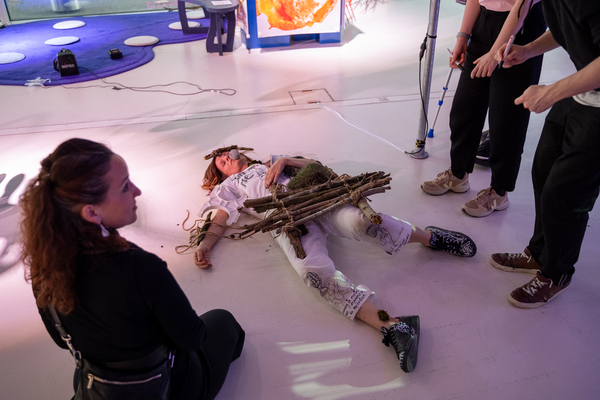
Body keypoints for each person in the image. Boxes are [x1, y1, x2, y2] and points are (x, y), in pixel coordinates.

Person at [195, 147, 478, 373]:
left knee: (362, 221)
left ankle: (432, 237)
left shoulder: (270, 161)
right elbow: (220, 216)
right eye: (220, 162)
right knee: (311, 272)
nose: (224, 157)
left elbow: (314, 166)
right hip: (286, 220)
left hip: (318, 198)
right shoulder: (229, 186)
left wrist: (284, 160)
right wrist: (206, 244)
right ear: (219, 174)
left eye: (226, 153)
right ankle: (394, 326)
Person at [20, 138, 245, 399]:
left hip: (98, 385)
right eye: (125, 186)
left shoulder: (44, 266)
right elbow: (193, 339)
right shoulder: (140, 267)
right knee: (225, 322)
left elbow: (62, 340)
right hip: (168, 387)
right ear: (91, 213)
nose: (137, 191)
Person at [489, 0, 600, 308]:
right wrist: (528, 50)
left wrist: (550, 92)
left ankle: (557, 273)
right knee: (543, 173)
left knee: (566, 193)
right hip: (580, 91)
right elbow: (567, 27)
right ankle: (539, 254)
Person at [421, 0, 546, 217]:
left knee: (506, 118)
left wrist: (495, 52)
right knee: (464, 108)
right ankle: (458, 175)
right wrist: (463, 37)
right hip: (485, 21)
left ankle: (499, 192)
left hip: (521, 26)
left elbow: (521, 7)